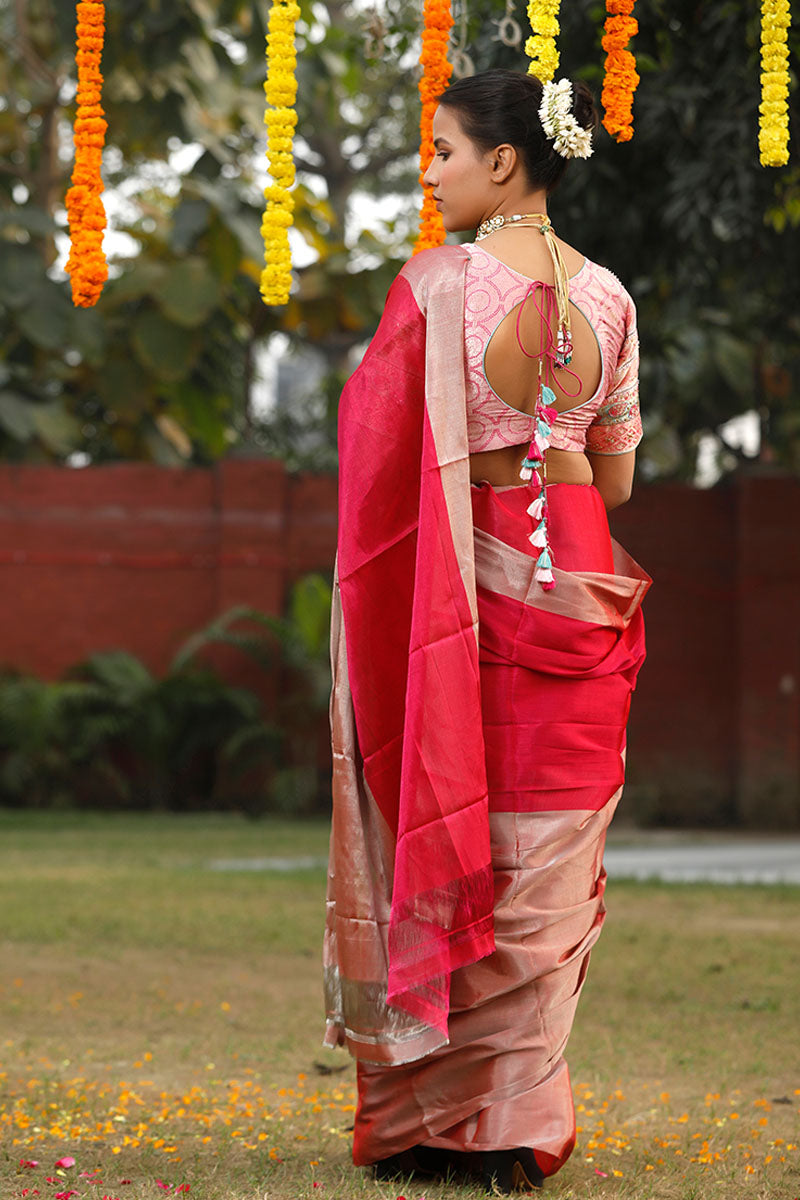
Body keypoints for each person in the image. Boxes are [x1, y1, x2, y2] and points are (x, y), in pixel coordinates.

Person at [323, 68, 650, 1193]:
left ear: (503, 162)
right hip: (576, 574)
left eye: (444, 151)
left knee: (459, 818)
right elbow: (611, 473)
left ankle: (431, 1120)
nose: (433, 171)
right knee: (549, 849)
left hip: (464, 580)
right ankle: (512, 1122)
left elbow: (373, 460)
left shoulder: (436, 285)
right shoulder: (607, 296)